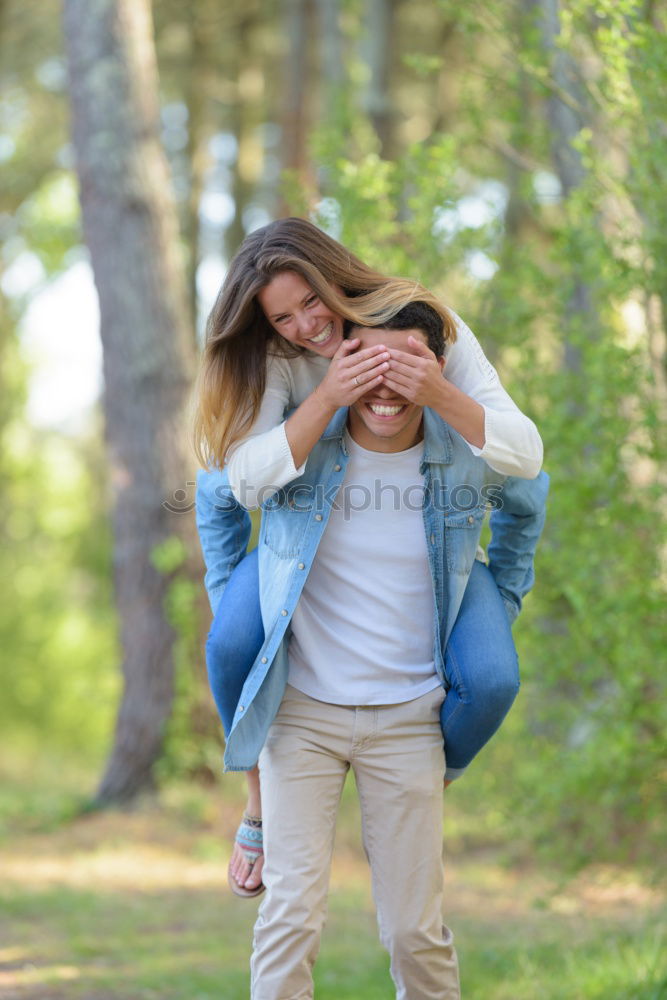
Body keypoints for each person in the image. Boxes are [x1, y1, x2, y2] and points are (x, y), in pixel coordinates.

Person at [198, 301, 549, 999]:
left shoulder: (463, 452)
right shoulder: (300, 445)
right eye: (368, 366)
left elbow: (528, 499)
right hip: (302, 713)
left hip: (411, 718)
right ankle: (256, 807)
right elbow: (217, 492)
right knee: (291, 915)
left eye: (406, 366)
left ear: (437, 368)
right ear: (339, 364)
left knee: (414, 931)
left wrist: (500, 602)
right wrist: (239, 597)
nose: (385, 388)